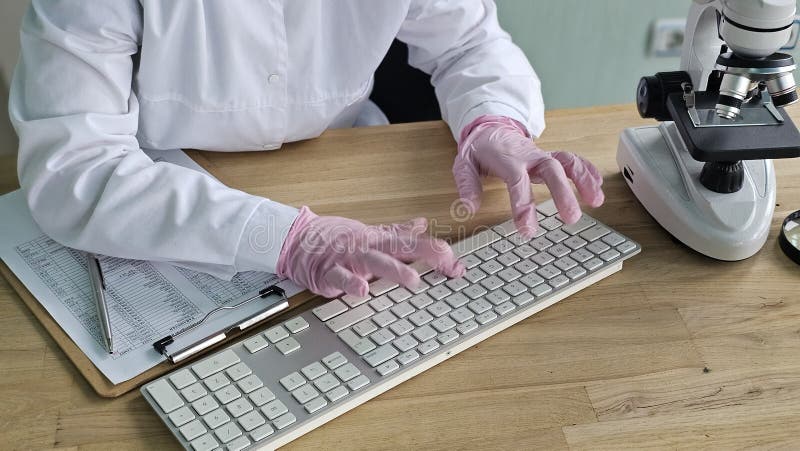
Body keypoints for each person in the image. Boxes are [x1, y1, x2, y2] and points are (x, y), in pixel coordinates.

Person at [9, 1, 604, 299]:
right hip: (160, 194)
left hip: (341, 166)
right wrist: (287, 239)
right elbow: (76, 164)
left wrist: (493, 122)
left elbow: (470, 43)